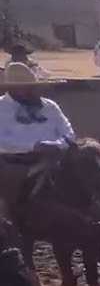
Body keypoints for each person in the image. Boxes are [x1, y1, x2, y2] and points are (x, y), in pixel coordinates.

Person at [0, 62, 74, 224]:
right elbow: (2, 141)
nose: (31, 91)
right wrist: (34, 146)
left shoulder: (49, 106)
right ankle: (11, 224)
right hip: (15, 161)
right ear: (11, 89)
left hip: (55, 155)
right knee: (10, 185)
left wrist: (57, 144)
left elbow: (68, 132)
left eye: (32, 87)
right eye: (25, 88)